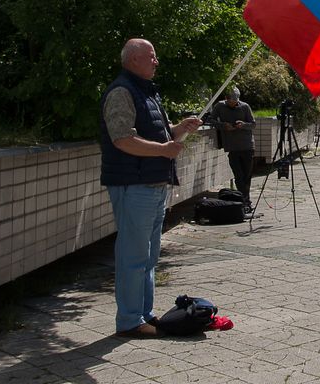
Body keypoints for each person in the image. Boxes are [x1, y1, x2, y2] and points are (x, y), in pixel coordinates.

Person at [100, 39, 201, 339]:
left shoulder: (147, 92)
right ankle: (130, 321)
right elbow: (122, 139)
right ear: (133, 60)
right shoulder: (121, 92)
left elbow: (156, 133)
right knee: (133, 255)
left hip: (154, 185)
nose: (156, 62)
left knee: (148, 255)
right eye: (151, 57)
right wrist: (162, 150)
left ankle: (143, 313)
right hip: (134, 185)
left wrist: (180, 129)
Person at [212, 87, 256, 209]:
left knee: (247, 175)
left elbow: (253, 124)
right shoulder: (219, 106)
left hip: (247, 145)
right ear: (226, 99)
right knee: (238, 175)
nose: (234, 103)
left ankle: (245, 200)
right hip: (232, 146)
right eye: (231, 101)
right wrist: (223, 126)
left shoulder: (245, 106)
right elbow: (211, 120)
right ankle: (244, 200)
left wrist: (243, 125)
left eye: (236, 101)